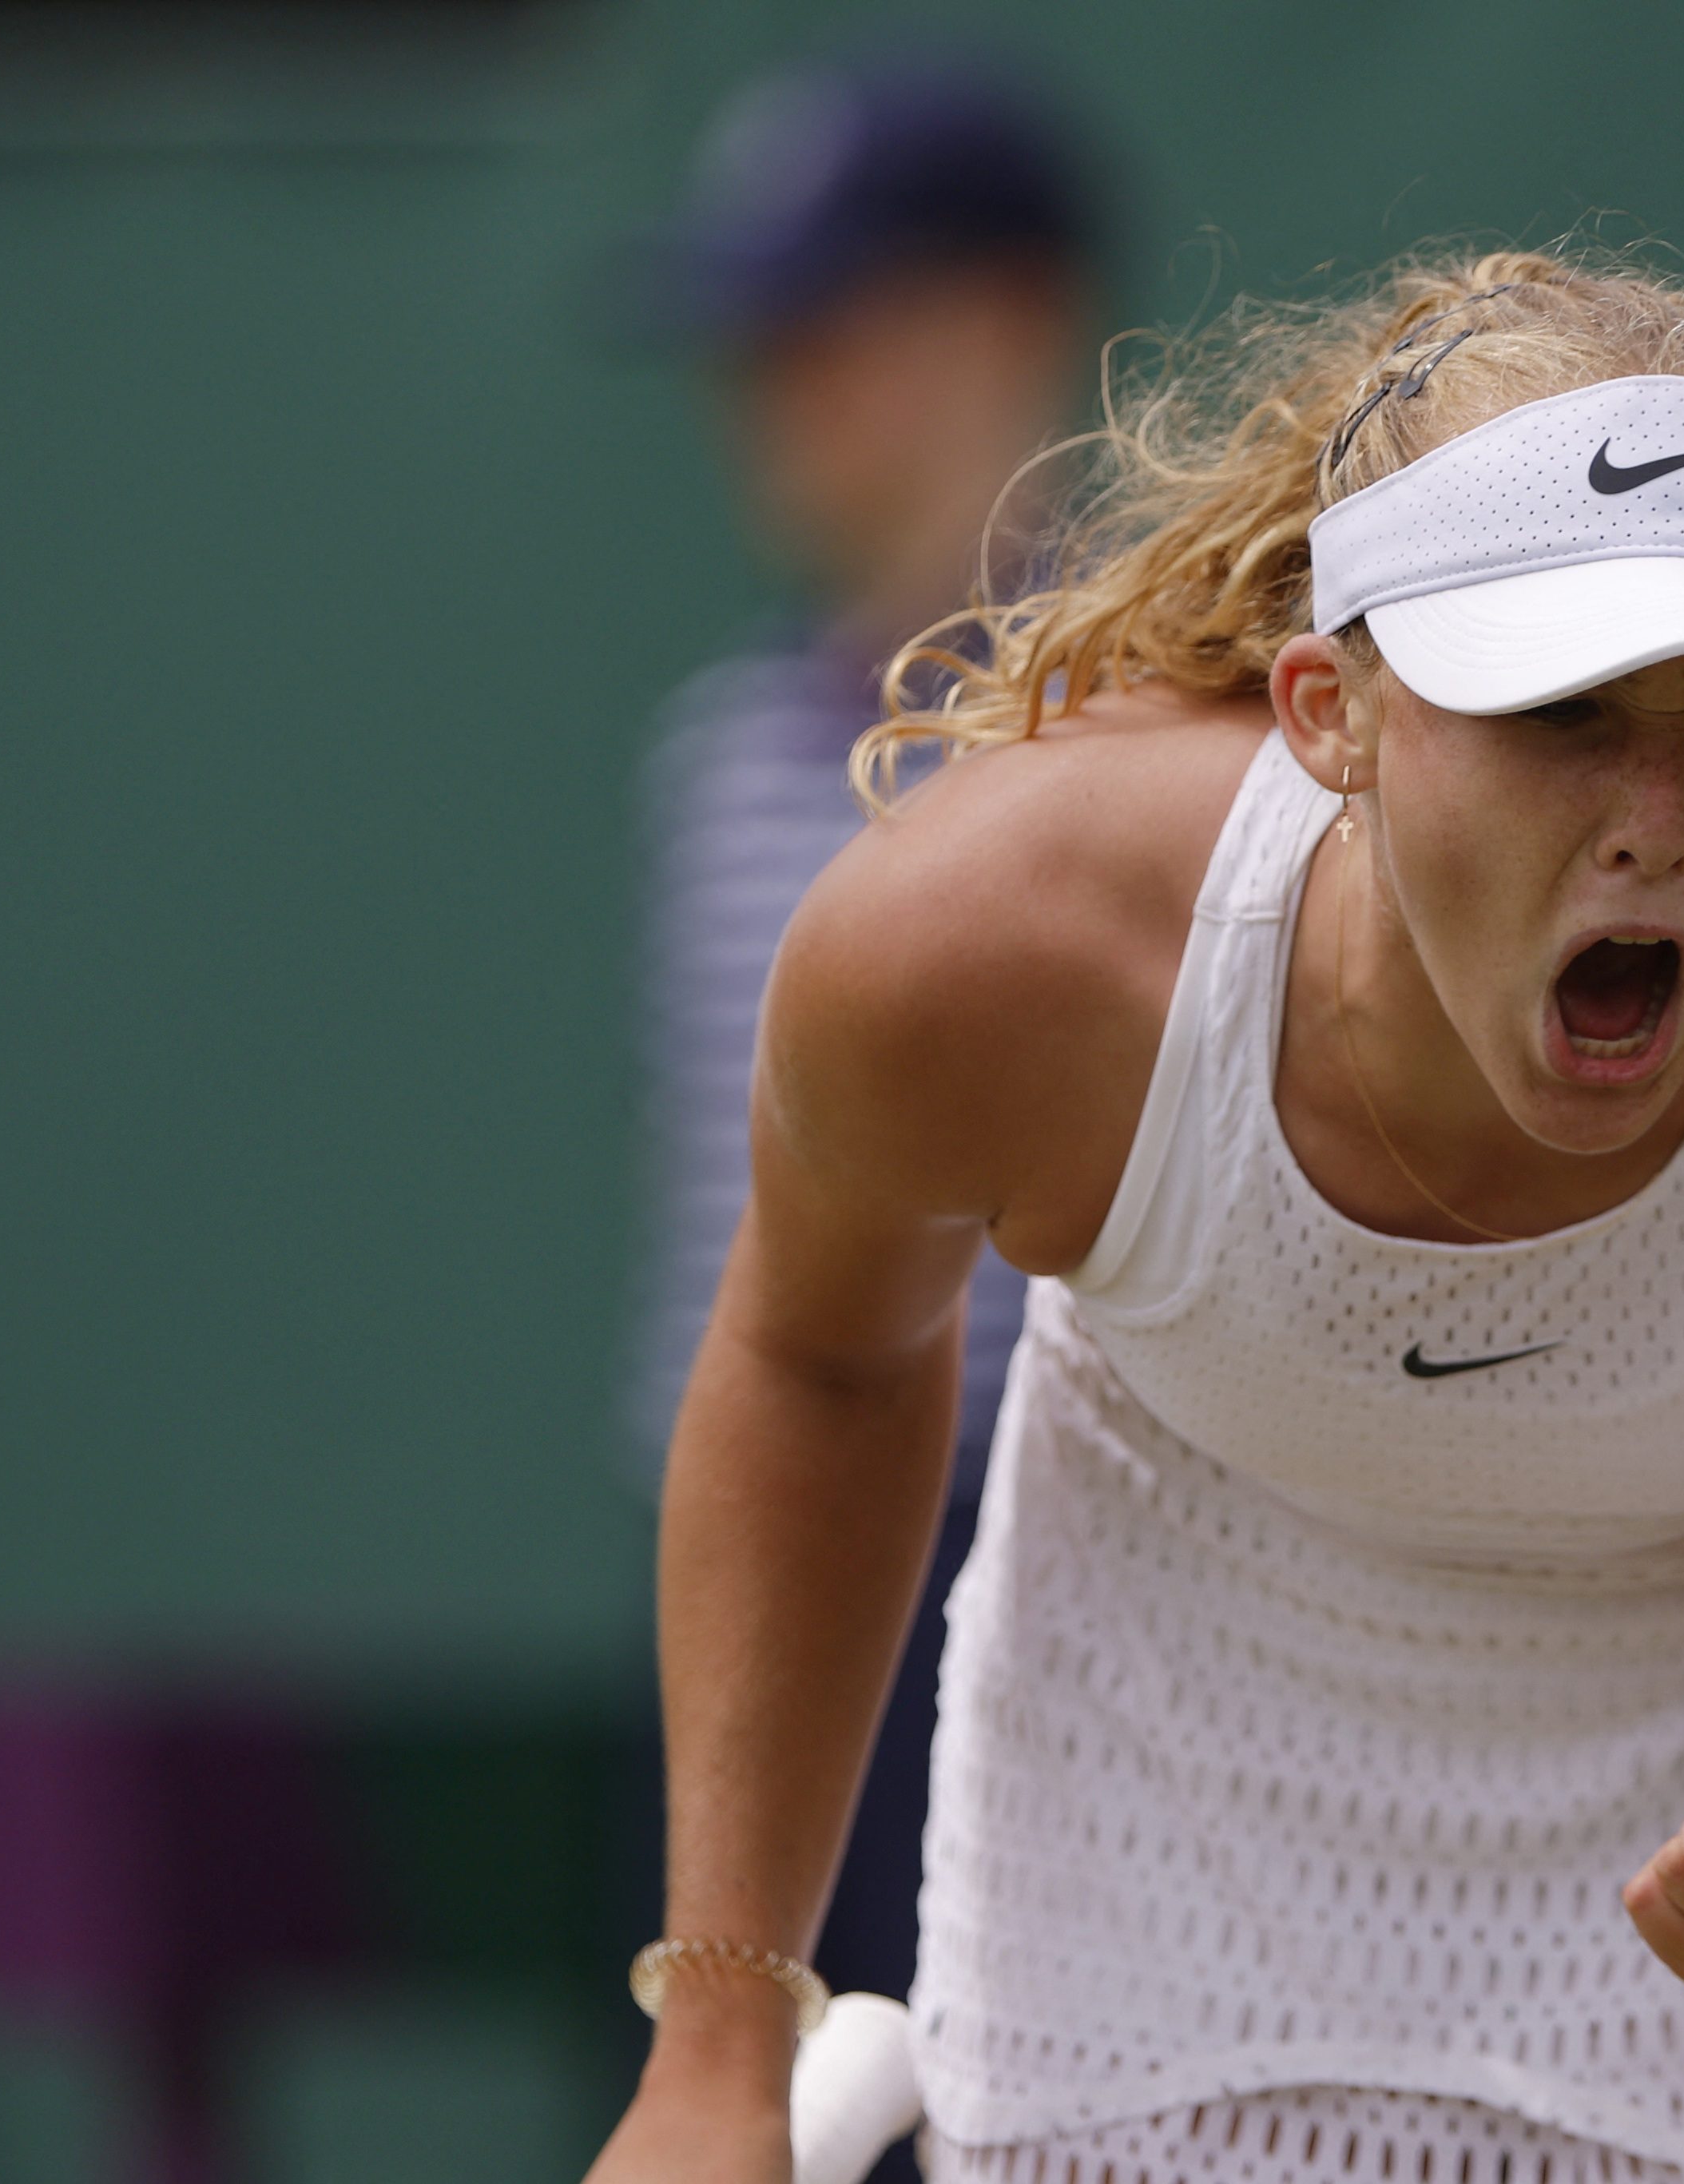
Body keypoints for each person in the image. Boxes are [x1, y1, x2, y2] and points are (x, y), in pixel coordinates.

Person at [590, 247, 1684, 2184]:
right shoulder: (990, 945)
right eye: (1558, 713)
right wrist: (715, 2041)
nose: (1656, 823)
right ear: (1328, 710)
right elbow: (821, 1357)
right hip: (1165, 1906)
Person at [626, 50, 1105, 2043]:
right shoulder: (718, 756)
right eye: (754, 343)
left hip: (1081, 1587)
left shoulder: (1162, 731)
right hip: (769, 1592)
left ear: (1009, 318)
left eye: (828, 329)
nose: (775, 395)